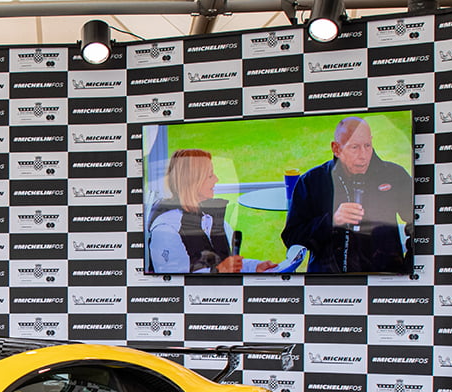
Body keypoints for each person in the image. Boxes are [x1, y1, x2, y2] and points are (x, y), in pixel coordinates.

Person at [282, 116, 413, 274]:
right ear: (336, 148)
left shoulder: (394, 175)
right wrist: (331, 221)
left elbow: (420, 223)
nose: (363, 155)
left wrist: (409, 266)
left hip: (384, 279)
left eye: (367, 145)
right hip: (327, 282)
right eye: (354, 147)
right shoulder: (312, 181)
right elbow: (292, 238)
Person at [146, 149, 274, 274]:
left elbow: (228, 266)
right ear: (193, 181)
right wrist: (218, 271)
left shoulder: (211, 217)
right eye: (210, 175)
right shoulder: (166, 229)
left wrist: (255, 266)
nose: (216, 179)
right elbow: (171, 280)